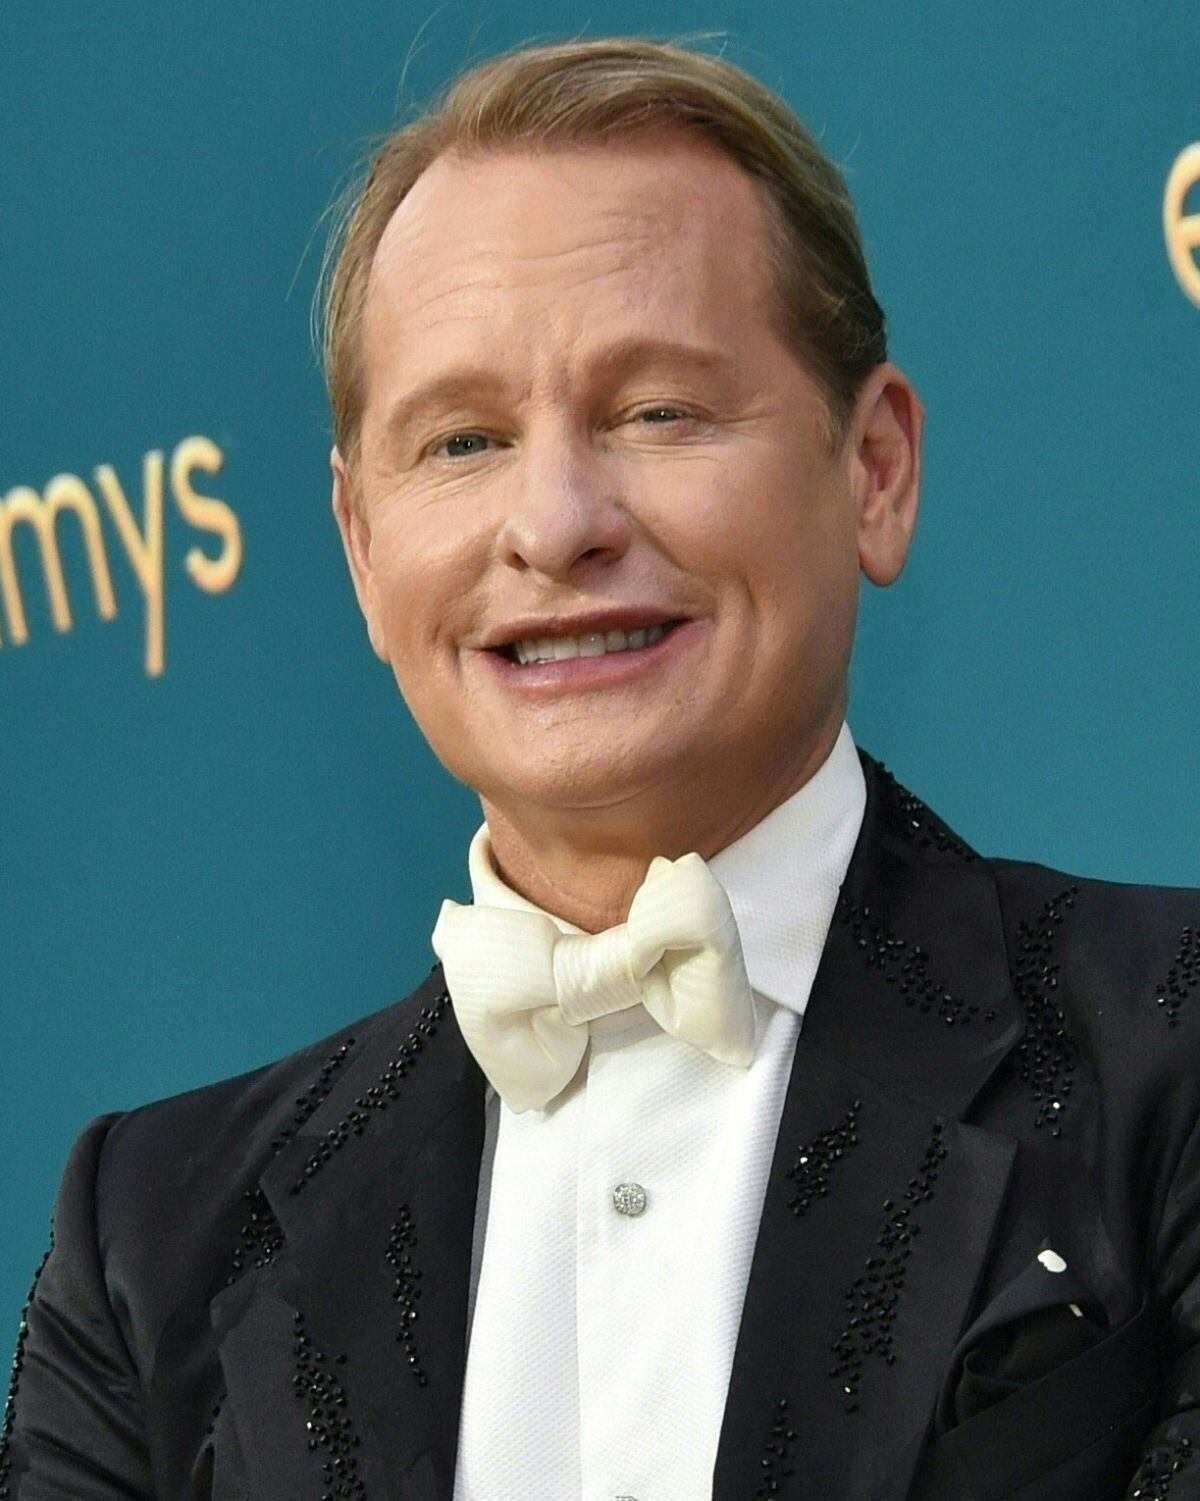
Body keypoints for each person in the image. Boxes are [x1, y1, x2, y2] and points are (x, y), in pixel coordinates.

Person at [3, 34, 1197, 1501]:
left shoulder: (1172, 1051)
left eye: (657, 412)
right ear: (364, 551)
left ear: (874, 468)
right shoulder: (151, 1244)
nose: (556, 520)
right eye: (461, 441)